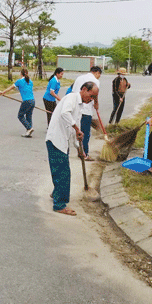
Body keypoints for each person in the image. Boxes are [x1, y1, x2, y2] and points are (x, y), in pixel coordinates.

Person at [46, 81, 99, 216]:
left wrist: (79, 148)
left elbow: (76, 132)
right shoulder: (71, 98)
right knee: (63, 172)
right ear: (84, 90)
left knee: (61, 170)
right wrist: (76, 128)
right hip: (56, 140)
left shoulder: (80, 106)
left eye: (93, 98)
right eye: (91, 96)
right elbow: (65, 114)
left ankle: (57, 192)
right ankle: (59, 204)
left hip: (63, 141)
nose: (91, 100)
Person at [68, 66, 103, 160]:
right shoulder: (95, 81)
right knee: (85, 133)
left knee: (77, 131)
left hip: (76, 108)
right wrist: (96, 104)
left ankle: (79, 151)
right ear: (97, 73)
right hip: (86, 109)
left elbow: (72, 92)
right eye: (99, 75)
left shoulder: (79, 78)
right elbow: (95, 95)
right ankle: (85, 154)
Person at [0, 68, 35, 137]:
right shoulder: (30, 81)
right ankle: (28, 131)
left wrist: (2, 92)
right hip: (32, 101)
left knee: (20, 115)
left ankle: (29, 128)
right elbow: (24, 89)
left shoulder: (19, 81)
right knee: (29, 116)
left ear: (21, 74)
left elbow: (10, 88)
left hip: (26, 101)